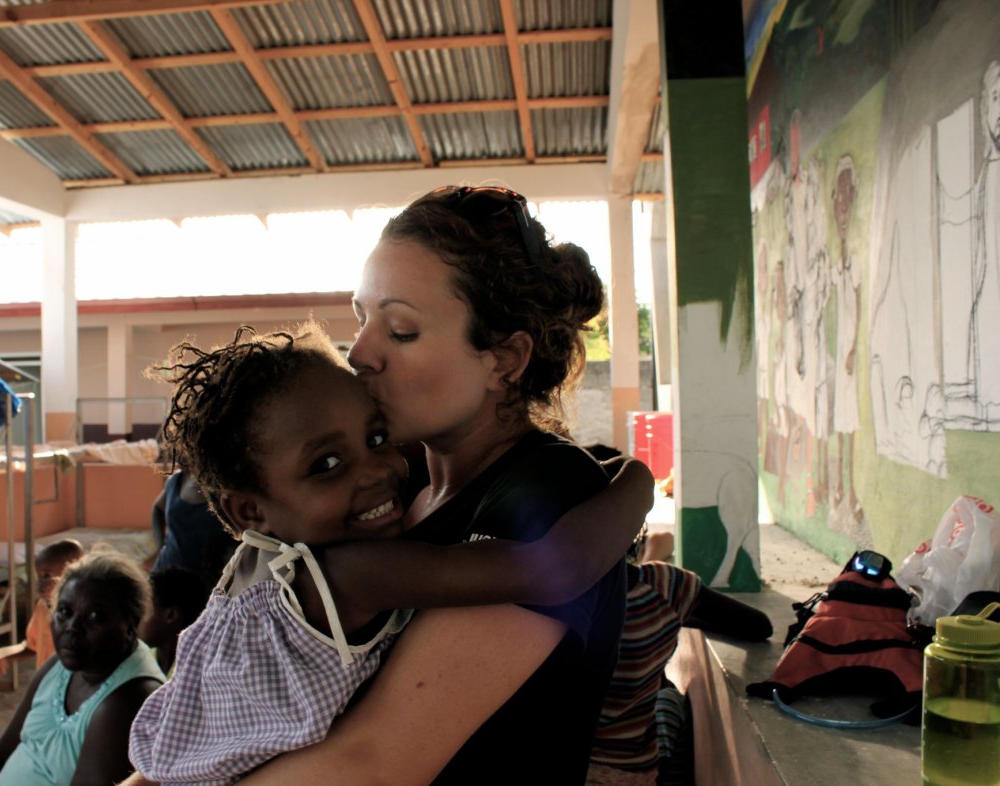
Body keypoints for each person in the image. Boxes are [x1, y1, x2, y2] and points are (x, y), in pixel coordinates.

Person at [225, 184, 652, 785]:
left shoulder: (547, 495)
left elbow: (372, 762)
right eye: (361, 318)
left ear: (504, 360)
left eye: (400, 331)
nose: (360, 354)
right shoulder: (395, 483)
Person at [127, 323, 650, 785]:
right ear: (248, 510)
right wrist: (637, 481)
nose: (377, 470)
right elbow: (557, 571)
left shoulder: (249, 571)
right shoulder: (351, 574)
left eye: (377, 437)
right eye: (327, 463)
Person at [586, 531, 773, 786]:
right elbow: (758, 626)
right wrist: (676, 613)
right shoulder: (662, 587)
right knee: (670, 694)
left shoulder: (536, 602)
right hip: (631, 772)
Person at [0, 550, 165, 786]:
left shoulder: (128, 698)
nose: (73, 627)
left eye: (95, 617)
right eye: (64, 612)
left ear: (130, 624)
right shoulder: (59, 667)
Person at [150, 470, 238, 587]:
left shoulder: (228, 488)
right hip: (163, 576)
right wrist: (161, 546)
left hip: (205, 588)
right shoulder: (176, 480)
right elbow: (157, 509)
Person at [24, 538, 85, 670]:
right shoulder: (42, 606)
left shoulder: (83, 606)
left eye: (47, 575)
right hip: (48, 681)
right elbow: (32, 646)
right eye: (39, 576)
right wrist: (3, 655)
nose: (41, 582)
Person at [139, 566, 208, 675]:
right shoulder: (145, 656)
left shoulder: (196, 669)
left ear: (170, 615)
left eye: (144, 610)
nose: (136, 619)